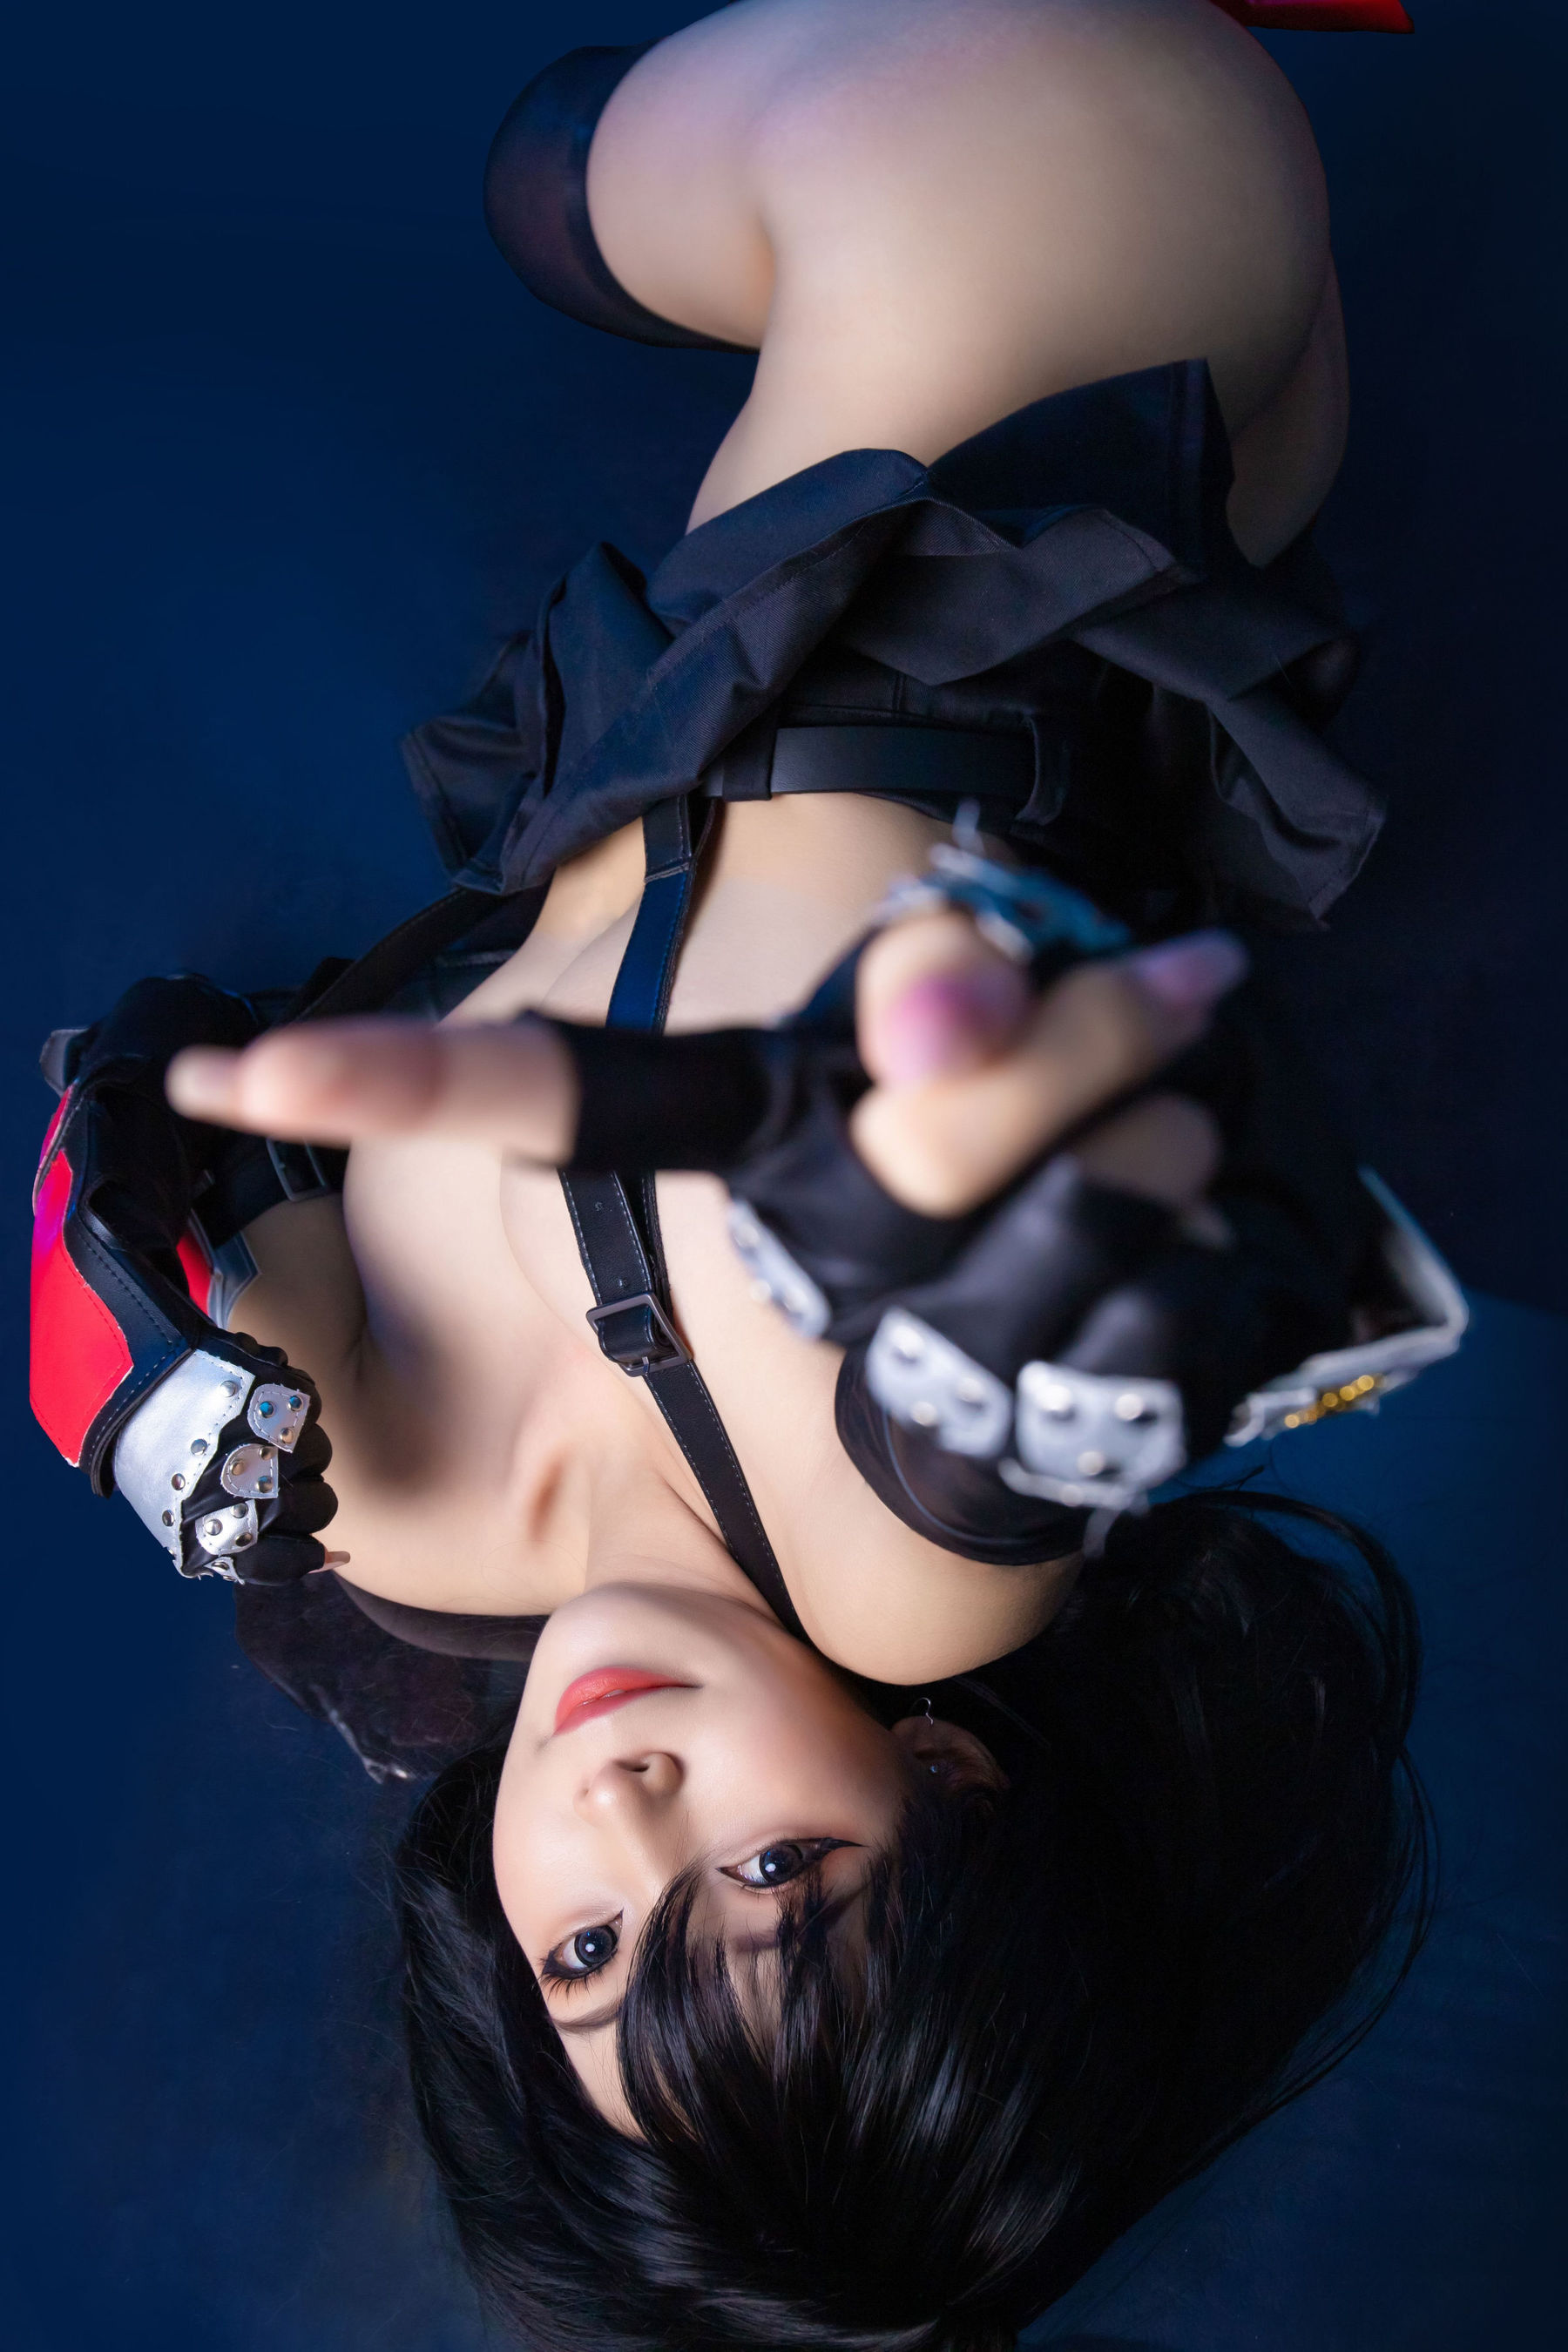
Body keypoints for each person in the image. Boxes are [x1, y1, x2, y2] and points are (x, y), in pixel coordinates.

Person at [28, 1, 1443, 2343]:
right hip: (1038, 233)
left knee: (550, 172)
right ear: (957, 1786)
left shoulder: (391, 1525)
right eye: (781, 1872)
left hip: (978, 431)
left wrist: (149, 1331)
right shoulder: (920, 1576)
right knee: (544, 163)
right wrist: (1005, 1191)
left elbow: (150, 1086)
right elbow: (1013, 1372)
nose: (629, 1807)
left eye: (592, 1948)